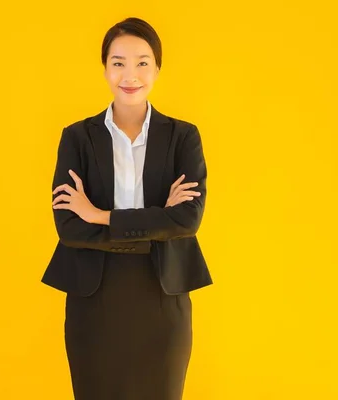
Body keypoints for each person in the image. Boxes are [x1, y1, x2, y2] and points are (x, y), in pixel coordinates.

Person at [41, 17, 213, 400]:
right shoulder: (77, 137)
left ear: (157, 68)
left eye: (142, 62)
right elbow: (69, 226)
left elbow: (187, 219)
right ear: (104, 68)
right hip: (94, 300)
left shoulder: (183, 137)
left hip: (162, 298)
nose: (130, 74)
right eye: (118, 62)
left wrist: (101, 215)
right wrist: (155, 222)